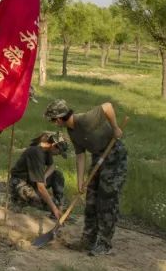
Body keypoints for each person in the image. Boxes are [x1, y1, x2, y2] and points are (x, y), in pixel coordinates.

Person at [45, 99, 126, 256]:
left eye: (53, 120)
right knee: (91, 199)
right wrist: (80, 182)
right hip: (98, 157)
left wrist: (115, 128)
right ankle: (88, 240)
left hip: (114, 156)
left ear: (59, 119)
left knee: (106, 199)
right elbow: (80, 155)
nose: (54, 123)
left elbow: (108, 106)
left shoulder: (84, 119)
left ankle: (104, 244)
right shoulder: (71, 130)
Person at [9, 131, 68, 221]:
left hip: (32, 181)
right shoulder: (36, 153)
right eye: (59, 152)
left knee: (57, 175)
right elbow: (40, 187)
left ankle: (58, 206)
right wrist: (54, 208)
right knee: (49, 204)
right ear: (54, 145)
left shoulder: (47, 150)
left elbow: (51, 166)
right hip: (20, 182)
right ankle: (18, 201)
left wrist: (44, 176)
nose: (58, 154)